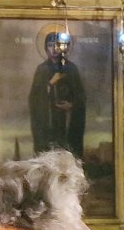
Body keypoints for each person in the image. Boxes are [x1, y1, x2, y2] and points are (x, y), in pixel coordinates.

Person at [27, 31, 85, 159]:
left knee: (67, 154)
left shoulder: (71, 69)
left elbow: (80, 97)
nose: (54, 49)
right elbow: (34, 98)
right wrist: (49, 84)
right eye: (50, 45)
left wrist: (71, 106)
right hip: (48, 121)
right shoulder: (42, 70)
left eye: (57, 45)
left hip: (67, 121)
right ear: (46, 48)